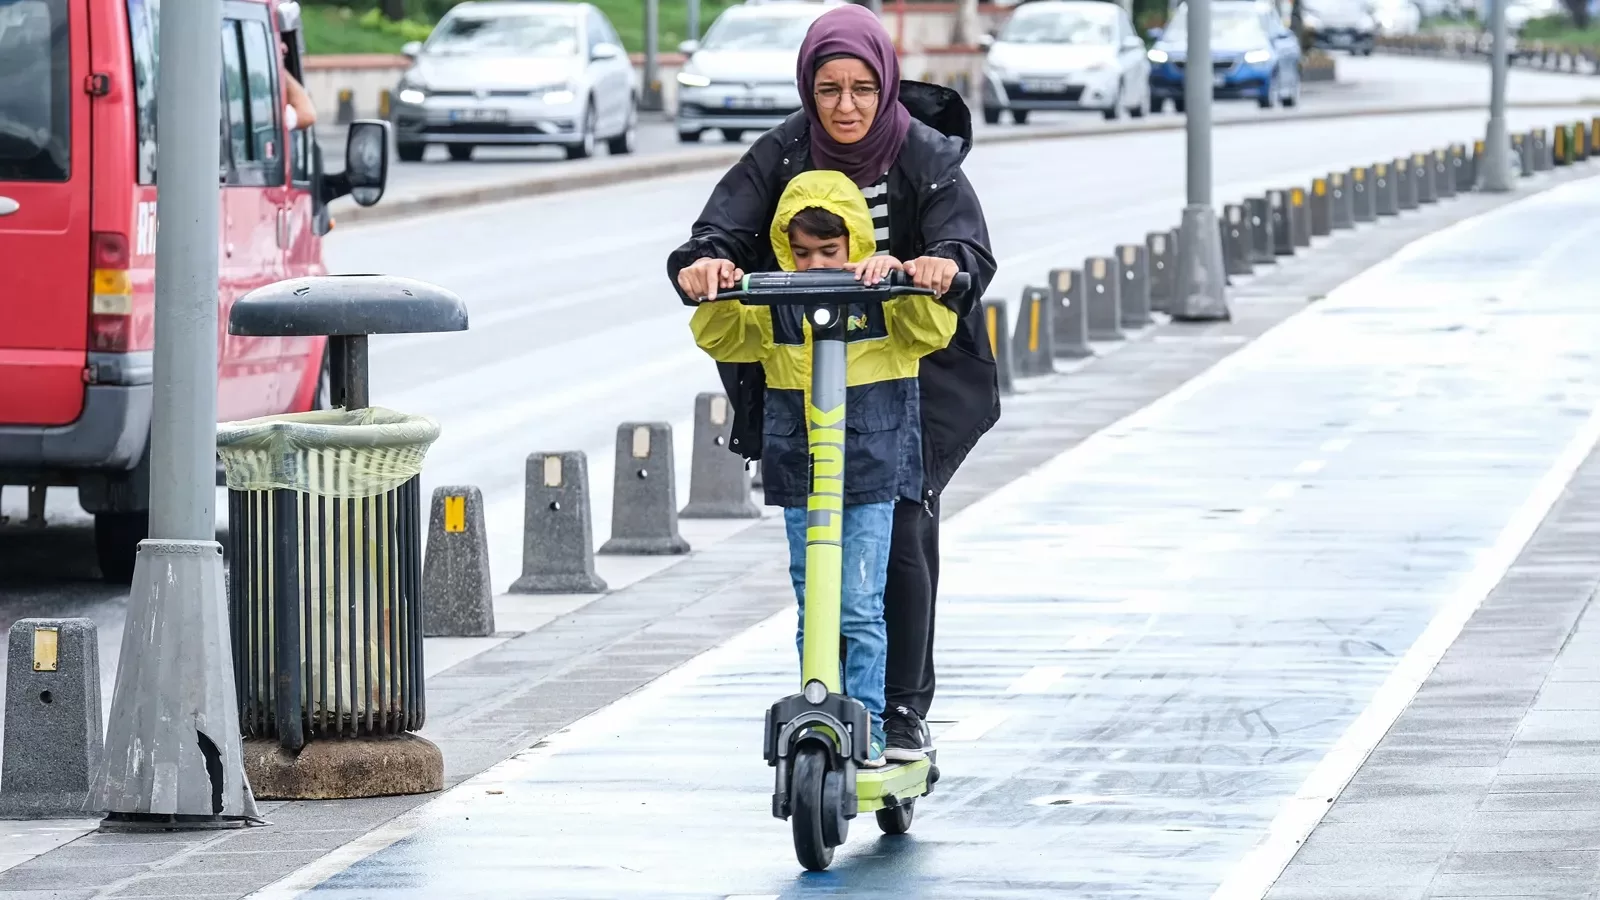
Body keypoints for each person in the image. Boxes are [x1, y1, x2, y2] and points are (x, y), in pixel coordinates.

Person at [668, 4, 999, 763]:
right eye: (828, 90)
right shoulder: (782, 153)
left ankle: (902, 709)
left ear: (885, 87)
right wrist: (710, 263)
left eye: (860, 89)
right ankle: (833, 697)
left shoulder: (923, 155)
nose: (846, 107)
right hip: (803, 358)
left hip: (914, 357)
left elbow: (966, 242)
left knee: (905, 522)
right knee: (819, 548)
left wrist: (940, 264)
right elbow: (717, 229)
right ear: (807, 90)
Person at [688, 168, 958, 768]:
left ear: (855, 244)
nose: (814, 267)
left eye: (830, 252)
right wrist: (714, 284)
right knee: (815, 605)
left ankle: (869, 724)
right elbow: (722, 337)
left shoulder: (884, 301)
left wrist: (920, 277)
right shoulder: (776, 306)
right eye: (801, 252)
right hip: (801, 475)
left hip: (870, 476)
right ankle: (823, 708)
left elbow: (933, 329)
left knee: (860, 604)